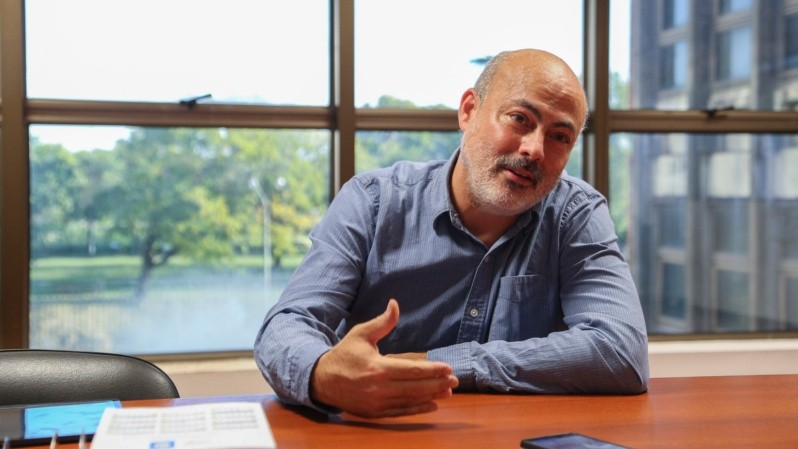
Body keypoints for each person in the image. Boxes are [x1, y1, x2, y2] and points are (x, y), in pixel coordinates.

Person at [254, 48, 649, 419]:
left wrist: (438, 365)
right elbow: (286, 327)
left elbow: (620, 350)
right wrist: (326, 374)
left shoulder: (576, 213)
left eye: (559, 137)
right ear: (469, 111)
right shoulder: (373, 202)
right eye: (519, 119)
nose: (535, 150)